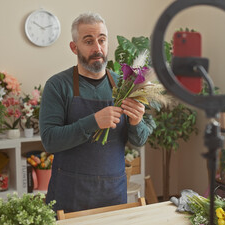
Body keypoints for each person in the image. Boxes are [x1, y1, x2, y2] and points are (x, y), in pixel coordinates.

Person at [39, 12, 151, 213]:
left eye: (102, 40)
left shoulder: (125, 85)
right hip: (69, 195)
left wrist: (137, 121)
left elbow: (139, 141)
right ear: (74, 47)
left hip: (113, 194)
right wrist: (93, 122)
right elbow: (50, 141)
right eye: (89, 41)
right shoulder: (57, 85)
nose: (97, 48)